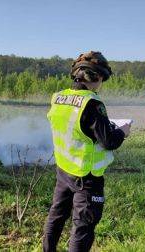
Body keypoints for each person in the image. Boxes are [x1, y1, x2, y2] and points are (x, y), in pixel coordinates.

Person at [42, 51, 131, 252]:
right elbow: (109, 142)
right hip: (87, 178)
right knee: (82, 227)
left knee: (56, 216)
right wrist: (123, 131)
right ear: (98, 77)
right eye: (102, 81)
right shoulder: (92, 103)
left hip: (63, 170)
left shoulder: (58, 98)